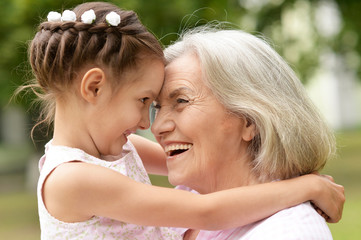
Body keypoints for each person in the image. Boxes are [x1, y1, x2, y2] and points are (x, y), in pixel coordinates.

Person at [24, 1, 344, 239]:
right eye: (145, 102)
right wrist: (307, 186)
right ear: (94, 88)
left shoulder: (115, 150)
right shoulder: (73, 179)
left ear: (249, 120)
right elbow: (207, 213)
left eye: (179, 101)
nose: (151, 125)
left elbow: (204, 158)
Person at [150, 26, 343, 239]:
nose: (157, 127)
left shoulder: (288, 232)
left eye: (181, 101)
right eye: (157, 107)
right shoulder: (187, 200)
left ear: (250, 121)